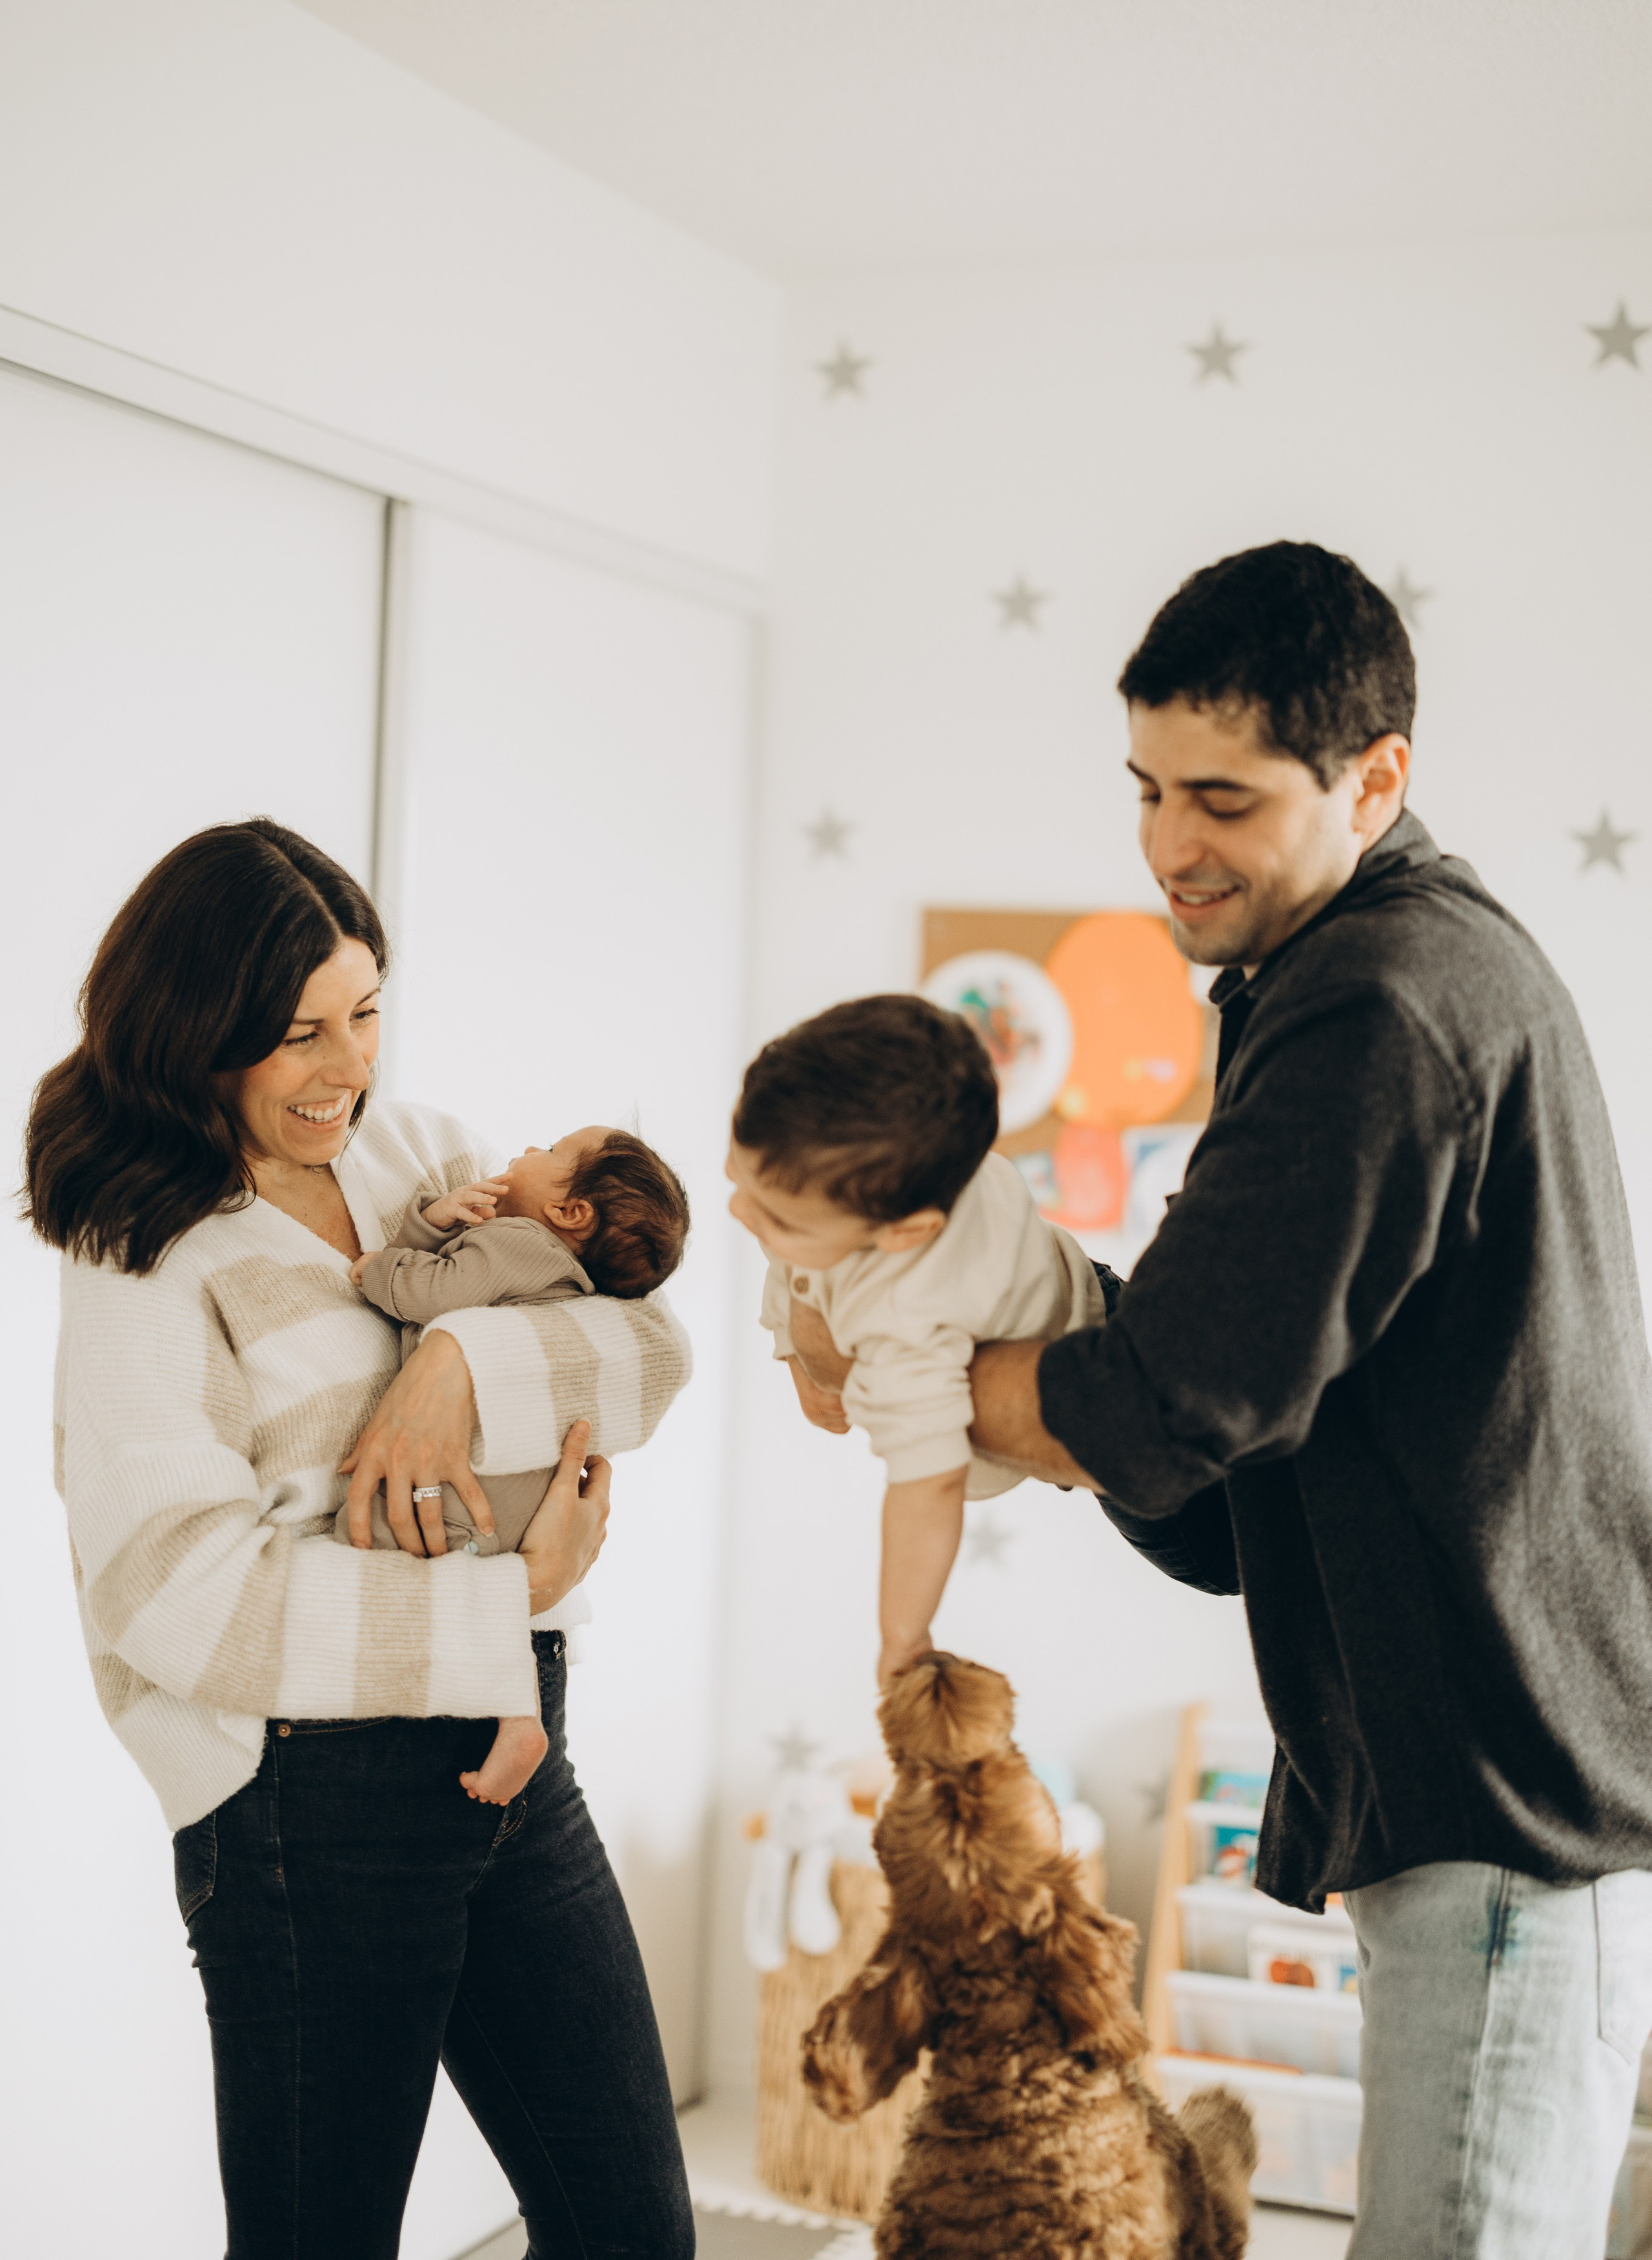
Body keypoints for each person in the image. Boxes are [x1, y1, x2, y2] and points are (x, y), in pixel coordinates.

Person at [951, 540, 1652, 2259]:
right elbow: (1224, 1429)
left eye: (1224, 800)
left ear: (1373, 778)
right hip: (1489, 1791)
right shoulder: (1353, 965)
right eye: (1145, 790)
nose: (1168, 846)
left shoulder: (1378, 996)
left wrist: (924, 1375)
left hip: (1503, 1803)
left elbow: (1174, 1402)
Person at [27, 816, 696, 2260]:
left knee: (634, 2233)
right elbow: (176, 1599)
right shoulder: (144, 1252)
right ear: (195, 1033)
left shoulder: (418, 1153)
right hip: (307, 1801)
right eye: (299, 1035)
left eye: (367, 1013)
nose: (351, 1067)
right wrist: (508, 1603)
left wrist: (459, 1362)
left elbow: (649, 1353)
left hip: (516, 1752)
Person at [727, 994, 1107, 1686]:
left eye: (778, 1220)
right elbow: (799, 1261)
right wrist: (793, 1346)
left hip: (1085, 1389)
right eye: (738, 1178)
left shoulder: (909, 1314)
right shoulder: (858, 1178)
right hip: (1050, 1269)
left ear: (904, 1234)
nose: (739, 1212)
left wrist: (903, 1636)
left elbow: (928, 1484)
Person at [342, 1124, 690, 1804]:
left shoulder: (518, 1243)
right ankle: (519, 1717)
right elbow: (452, 1278)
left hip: (470, 1485)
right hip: (522, 1488)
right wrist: (437, 1222)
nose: (530, 1151)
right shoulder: (561, 1274)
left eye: (552, 1153)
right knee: (492, 1593)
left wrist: (374, 1269)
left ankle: (512, 1717)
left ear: (570, 1211)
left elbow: (431, 1294)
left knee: (391, 1554)